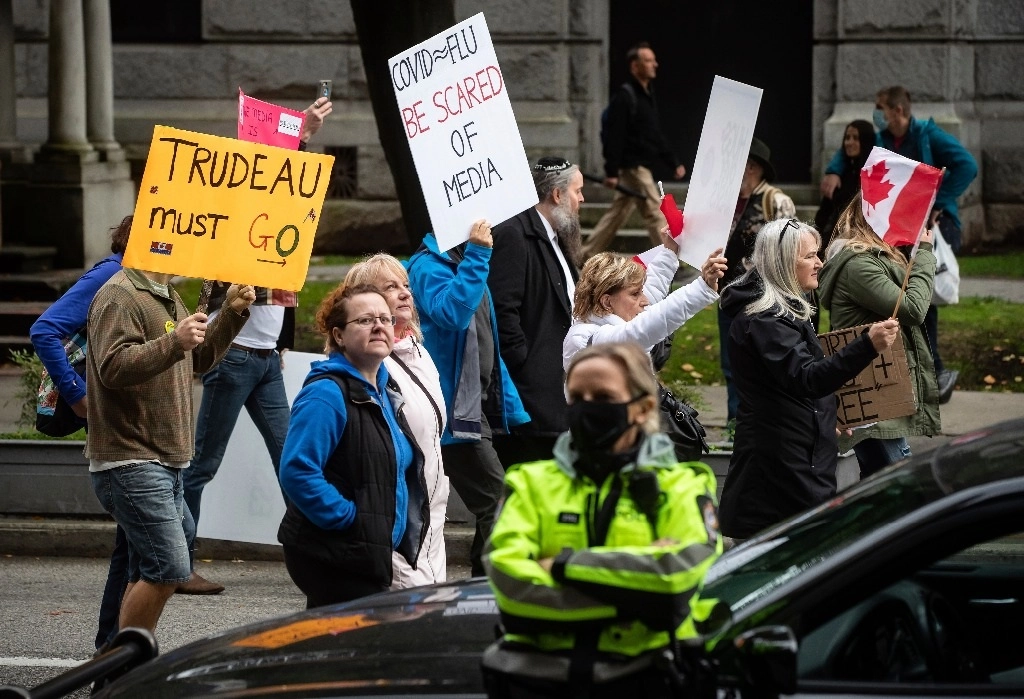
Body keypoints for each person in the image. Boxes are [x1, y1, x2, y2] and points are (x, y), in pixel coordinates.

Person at [482, 341, 723, 698]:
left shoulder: (684, 486)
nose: (587, 407)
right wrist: (639, 599)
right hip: (539, 683)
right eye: (577, 397)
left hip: (649, 680)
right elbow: (508, 581)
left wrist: (562, 566)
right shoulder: (529, 481)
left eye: (604, 397)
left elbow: (676, 583)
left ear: (642, 408)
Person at [182, 96, 333, 593]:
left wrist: (305, 134)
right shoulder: (232, 220)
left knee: (292, 459)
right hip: (233, 359)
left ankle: (316, 558)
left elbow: (291, 184)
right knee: (202, 463)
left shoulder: (276, 214)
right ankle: (175, 564)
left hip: (265, 362)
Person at [86, 265, 254, 635]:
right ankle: (125, 664)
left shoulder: (165, 294)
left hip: (167, 460)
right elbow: (112, 367)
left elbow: (198, 358)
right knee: (169, 568)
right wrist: (174, 340)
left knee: (143, 569)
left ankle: (113, 669)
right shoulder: (119, 295)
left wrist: (231, 311)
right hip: (131, 459)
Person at [716, 218, 899, 542]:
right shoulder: (765, 320)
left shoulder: (781, 311)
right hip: (780, 468)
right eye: (810, 256)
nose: (820, 263)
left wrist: (829, 414)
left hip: (797, 459)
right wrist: (866, 344)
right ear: (785, 264)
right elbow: (807, 379)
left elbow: (793, 386)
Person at [820, 86, 978, 403]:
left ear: (898, 111)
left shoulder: (928, 135)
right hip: (901, 227)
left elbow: (967, 166)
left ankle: (930, 370)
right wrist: (834, 170)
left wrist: (940, 200)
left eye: (881, 108)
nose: (877, 114)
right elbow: (853, 153)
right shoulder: (882, 138)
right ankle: (928, 371)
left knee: (921, 299)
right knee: (907, 295)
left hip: (928, 227)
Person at [276, 284, 429, 608]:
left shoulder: (382, 389)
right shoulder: (326, 394)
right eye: (364, 320)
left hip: (371, 551)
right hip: (335, 554)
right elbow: (297, 471)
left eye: (385, 319)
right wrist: (350, 520)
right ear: (339, 335)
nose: (378, 326)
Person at [29, 216, 131, 652]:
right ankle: (114, 649)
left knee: (137, 545)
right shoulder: (112, 274)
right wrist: (76, 396)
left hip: (132, 424)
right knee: (151, 546)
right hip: (114, 425)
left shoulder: (146, 281)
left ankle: (115, 648)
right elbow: (44, 329)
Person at [407, 220, 530, 577]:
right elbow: (454, 314)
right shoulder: (428, 267)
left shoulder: (462, 263)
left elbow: (484, 342)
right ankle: (491, 588)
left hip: (474, 409)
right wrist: (478, 254)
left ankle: (485, 582)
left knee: (495, 502)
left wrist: (510, 406)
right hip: (450, 415)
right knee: (498, 501)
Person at [343, 255, 450, 588]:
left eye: (405, 285)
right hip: (396, 529)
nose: (405, 293)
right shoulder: (367, 368)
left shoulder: (418, 351)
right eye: (391, 287)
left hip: (432, 523)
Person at [818, 193, 940, 477]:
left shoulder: (874, 257)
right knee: (896, 485)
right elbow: (912, 309)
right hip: (872, 392)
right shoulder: (858, 264)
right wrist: (923, 252)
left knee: (878, 485)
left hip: (880, 389)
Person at [489, 157, 583, 468]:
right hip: (530, 397)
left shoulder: (552, 236)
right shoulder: (514, 234)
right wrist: (524, 363)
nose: (581, 199)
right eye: (577, 191)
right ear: (557, 195)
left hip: (553, 390)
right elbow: (503, 310)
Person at [718, 138, 796, 437]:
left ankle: (764, 426)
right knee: (730, 364)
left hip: (763, 297)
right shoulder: (723, 200)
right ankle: (734, 428)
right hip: (728, 295)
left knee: (764, 363)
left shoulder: (775, 201)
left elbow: (789, 248)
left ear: (752, 166)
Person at [563, 231, 725, 369]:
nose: (645, 301)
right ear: (607, 302)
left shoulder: (611, 316)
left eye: (641, 291)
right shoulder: (585, 338)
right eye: (635, 294)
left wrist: (669, 251)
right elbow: (644, 327)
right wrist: (701, 287)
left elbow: (653, 288)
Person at [583, 42, 686, 258]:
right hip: (633, 167)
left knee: (616, 214)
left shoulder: (646, 96)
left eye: (653, 60)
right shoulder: (625, 97)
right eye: (648, 61)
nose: (654, 64)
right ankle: (671, 258)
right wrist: (611, 171)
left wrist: (672, 161)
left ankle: (584, 255)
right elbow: (614, 135)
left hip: (639, 166)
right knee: (654, 210)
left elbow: (653, 134)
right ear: (634, 66)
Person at [813, 119, 874, 249]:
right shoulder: (838, 175)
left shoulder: (872, 176)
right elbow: (824, 213)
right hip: (833, 239)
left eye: (855, 138)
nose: (849, 143)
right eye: (847, 138)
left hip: (860, 242)